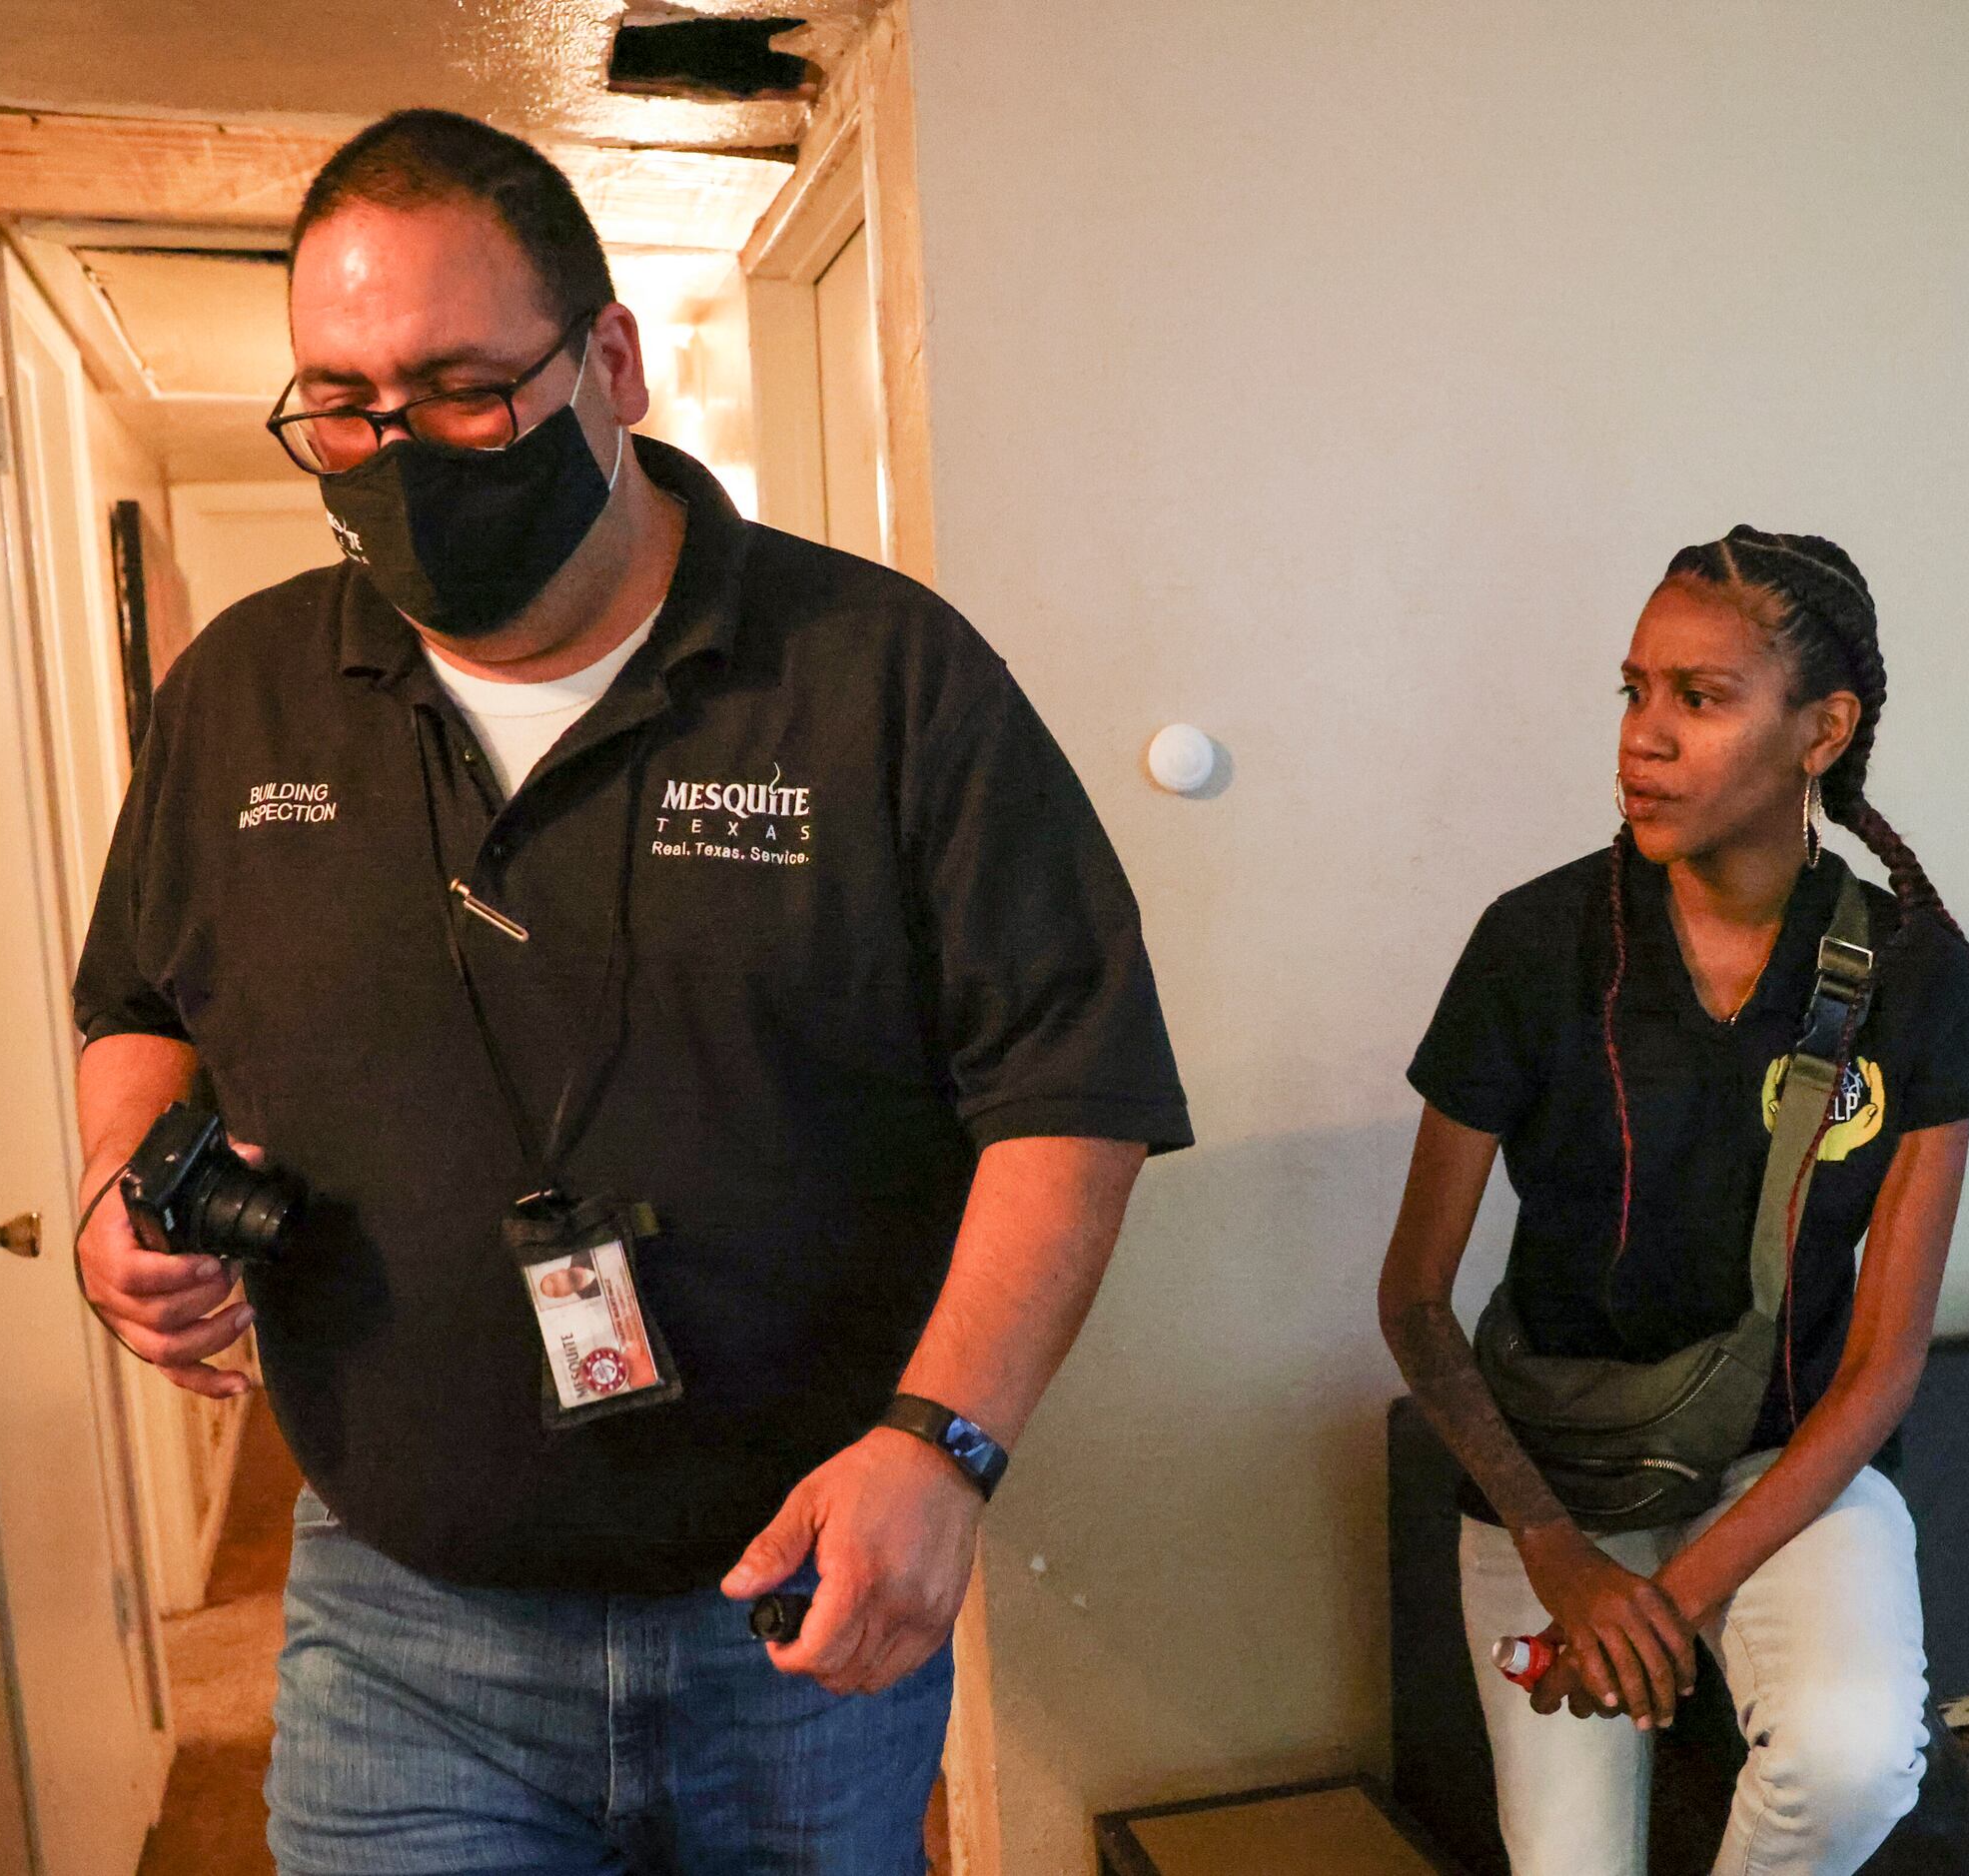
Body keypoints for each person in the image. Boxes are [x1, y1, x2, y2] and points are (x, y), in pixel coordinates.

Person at [71, 109, 1191, 1876]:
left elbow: (1074, 1086)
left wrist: (944, 1445)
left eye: (458, 386)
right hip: (398, 1618)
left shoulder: (882, 677)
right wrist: (123, 1200)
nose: (397, 447)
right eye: (344, 402)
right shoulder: (244, 695)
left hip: (788, 1600)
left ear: (611, 360)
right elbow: (136, 998)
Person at [1378, 528, 1969, 1875]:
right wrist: (1559, 1554)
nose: (1642, 739)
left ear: (1822, 730)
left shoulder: (1917, 976)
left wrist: (1667, 1601)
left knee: (1850, 1757)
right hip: (1552, 1476)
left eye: (1700, 698)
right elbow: (1416, 1298)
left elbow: (1884, 1362)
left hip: (1786, 1465)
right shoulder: (1533, 944)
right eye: (1634, 692)